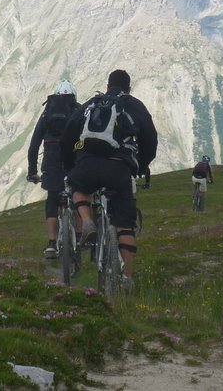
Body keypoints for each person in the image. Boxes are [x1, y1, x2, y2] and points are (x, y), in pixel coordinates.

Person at [61, 69, 157, 288]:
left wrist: (71, 165)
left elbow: (69, 134)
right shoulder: (134, 105)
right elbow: (150, 140)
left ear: (107, 86)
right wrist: (140, 166)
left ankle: (86, 220)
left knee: (79, 187)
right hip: (120, 168)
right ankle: (127, 278)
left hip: (88, 163)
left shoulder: (93, 103)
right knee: (125, 224)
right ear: (128, 88)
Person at [27, 79, 81, 258]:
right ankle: (80, 237)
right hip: (73, 160)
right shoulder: (79, 110)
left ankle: (51, 243)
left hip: (52, 161)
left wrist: (32, 172)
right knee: (80, 194)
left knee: (52, 198)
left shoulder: (47, 113)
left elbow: (34, 145)